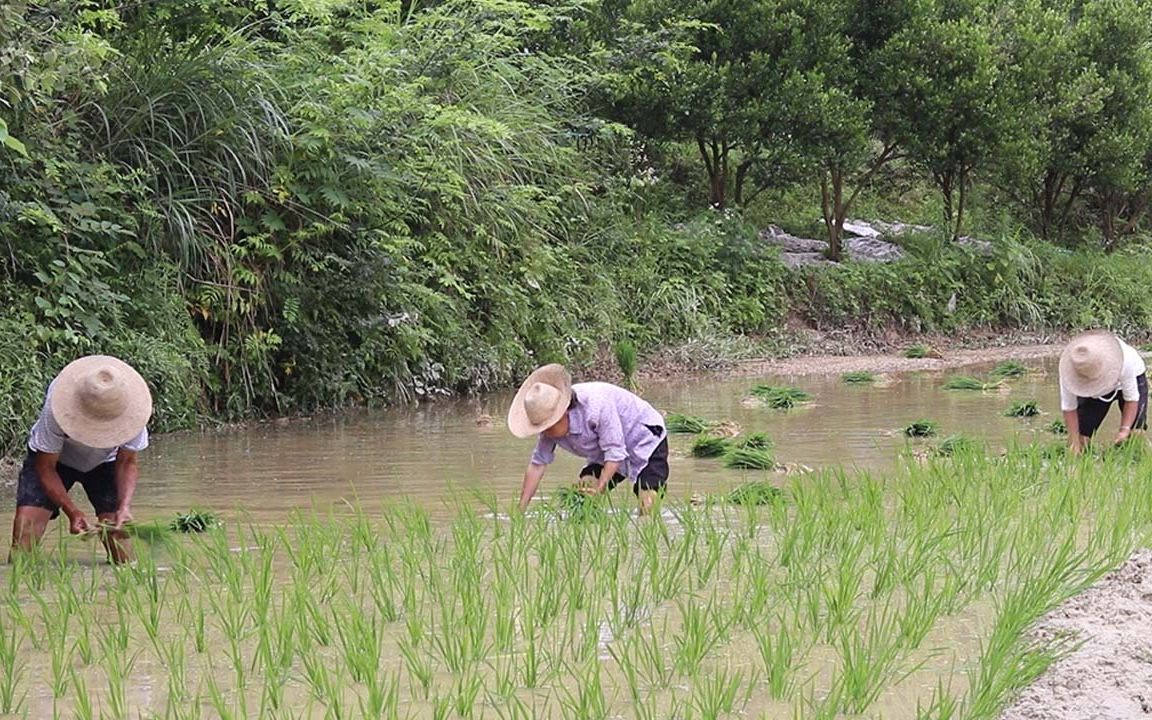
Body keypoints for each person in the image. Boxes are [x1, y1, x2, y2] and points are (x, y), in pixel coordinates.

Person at [9, 355, 152, 564]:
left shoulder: (134, 413)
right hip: (56, 461)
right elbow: (46, 467)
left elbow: (127, 462)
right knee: (24, 538)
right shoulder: (56, 406)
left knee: (123, 552)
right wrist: (73, 512)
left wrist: (125, 506)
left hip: (106, 462)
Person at [508, 364, 668, 514]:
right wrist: (520, 509)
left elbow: (615, 453)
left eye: (548, 427)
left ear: (563, 413)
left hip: (643, 436)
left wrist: (600, 488)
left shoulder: (596, 408)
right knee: (583, 496)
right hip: (603, 448)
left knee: (647, 500)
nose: (545, 433)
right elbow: (537, 464)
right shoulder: (547, 426)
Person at [1059, 330, 1148, 454]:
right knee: (1080, 440)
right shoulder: (1072, 369)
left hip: (1132, 378)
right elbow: (1069, 408)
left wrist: (1124, 430)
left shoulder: (1125, 360)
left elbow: (1131, 398)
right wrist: (1074, 441)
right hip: (1094, 392)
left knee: (1136, 435)